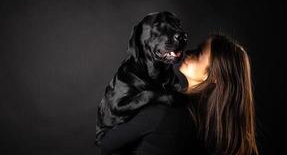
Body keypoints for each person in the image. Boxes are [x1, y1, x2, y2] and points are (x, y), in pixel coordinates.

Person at [97, 33, 259, 155]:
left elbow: (106, 142)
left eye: (199, 53)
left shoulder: (165, 113)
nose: (189, 52)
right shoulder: (223, 133)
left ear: (214, 77)